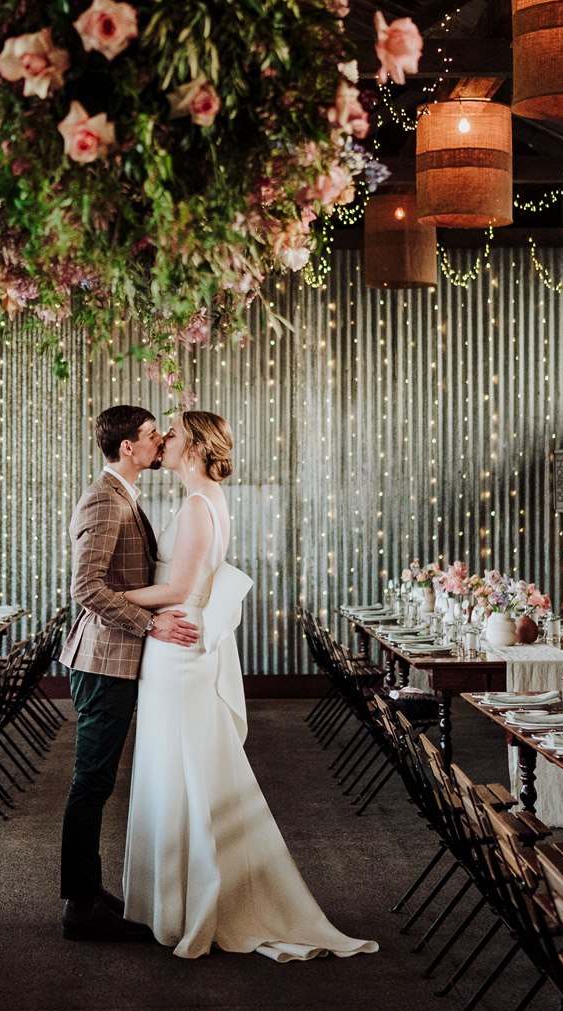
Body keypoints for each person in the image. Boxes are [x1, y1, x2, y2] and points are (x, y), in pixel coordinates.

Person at [119, 411, 376, 961]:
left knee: (183, 768)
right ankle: (181, 898)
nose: (162, 440)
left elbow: (181, 587)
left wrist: (107, 599)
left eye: (172, 434)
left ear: (192, 446)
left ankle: (194, 902)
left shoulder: (195, 505)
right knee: (180, 768)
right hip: (177, 647)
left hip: (178, 646)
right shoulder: (204, 498)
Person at [58, 404, 200, 941]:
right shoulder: (102, 498)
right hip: (101, 662)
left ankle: (88, 891)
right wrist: (150, 625)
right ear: (127, 449)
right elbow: (87, 589)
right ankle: (78, 904)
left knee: (97, 780)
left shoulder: (125, 495)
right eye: (150, 436)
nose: (160, 441)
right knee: (91, 781)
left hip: (113, 660)